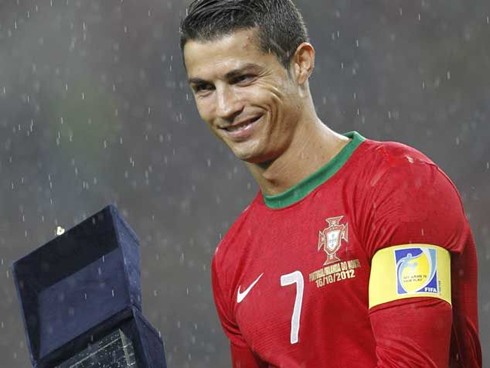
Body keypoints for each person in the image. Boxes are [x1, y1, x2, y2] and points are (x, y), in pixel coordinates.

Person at [179, 0, 482, 366]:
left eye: (242, 78)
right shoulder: (231, 260)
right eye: (204, 89)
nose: (225, 107)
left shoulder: (397, 186)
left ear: (301, 63)